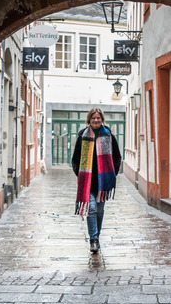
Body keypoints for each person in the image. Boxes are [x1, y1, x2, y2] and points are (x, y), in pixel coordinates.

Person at [72, 108, 122, 254]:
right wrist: (80, 175)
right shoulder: (83, 135)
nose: (96, 120)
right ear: (89, 119)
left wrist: (112, 174)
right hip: (87, 181)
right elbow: (75, 158)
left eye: (98, 118)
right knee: (92, 209)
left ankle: (96, 237)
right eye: (93, 118)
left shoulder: (109, 136)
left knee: (99, 211)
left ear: (102, 119)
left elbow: (117, 157)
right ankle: (93, 240)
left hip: (103, 182)